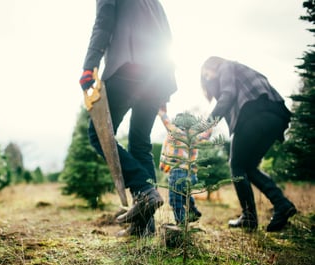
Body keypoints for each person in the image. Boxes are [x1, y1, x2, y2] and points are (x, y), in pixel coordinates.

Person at [79, 0, 177, 236]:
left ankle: (144, 190)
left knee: (98, 135)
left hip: (130, 66)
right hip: (159, 75)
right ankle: (144, 227)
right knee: (140, 142)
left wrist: (89, 65)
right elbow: (167, 34)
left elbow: (103, 23)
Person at [200, 56, 296, 232]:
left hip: (254, 116)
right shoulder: (240, 71)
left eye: (206, 74)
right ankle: (282, 205)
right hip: (275, 117)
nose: (208, 79)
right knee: (249, 167)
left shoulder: (226, 66)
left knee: (236, 166)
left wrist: (208, 125)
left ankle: (249, 217)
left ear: (211, 66)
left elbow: (227, 94)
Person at [158, 108, 210, 225]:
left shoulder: (177, 134)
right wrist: (211, 123)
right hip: (192, 174)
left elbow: (167, 124)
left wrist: (161, 112)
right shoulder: (196, 137)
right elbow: (207, 134)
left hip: (178, 173)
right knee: (185, 195)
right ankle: (193, 210)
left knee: (175, 199)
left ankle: (180, 224)